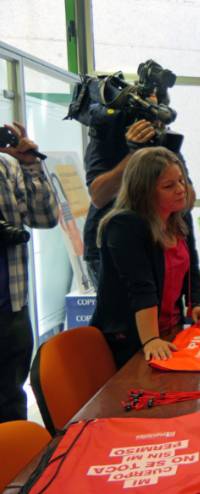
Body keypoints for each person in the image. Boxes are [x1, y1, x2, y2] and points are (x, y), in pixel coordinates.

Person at [92, 147, 200, 368]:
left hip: (171, 330)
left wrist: (195, 303)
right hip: (130, 339)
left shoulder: (180, 217)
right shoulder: (124, 226)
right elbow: (141, 287)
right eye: (168, 186)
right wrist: (151, 339)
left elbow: (191, 265)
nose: (181, 189)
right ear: (144, 191)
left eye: (181, 181)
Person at [82, 87, 191, 286]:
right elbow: (98, 196)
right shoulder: (108, 135)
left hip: (159, 242)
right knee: (122, 306)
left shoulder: (164, 142)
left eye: (157, 113)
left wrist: (166, 153)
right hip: (112, 245)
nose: (152, 121)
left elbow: (188, 200)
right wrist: (134, 154)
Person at [0, 122, 58, 423]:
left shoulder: (5, 167)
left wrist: (30, 164)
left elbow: (45, 218)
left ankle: (15, 453)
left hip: (11, 307)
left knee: (10, 401)